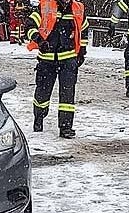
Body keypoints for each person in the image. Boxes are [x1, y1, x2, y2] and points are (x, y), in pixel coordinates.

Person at [24, 0, 89, 138]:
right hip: (47, 59)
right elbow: (29, 25)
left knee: (67, 95)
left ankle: (66, 127)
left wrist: (82, 51)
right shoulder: (45, 6)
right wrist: (39, 40)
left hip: (68, 58)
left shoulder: (77, 8)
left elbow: (83, 28)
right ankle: (39, 117)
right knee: (43, 92)